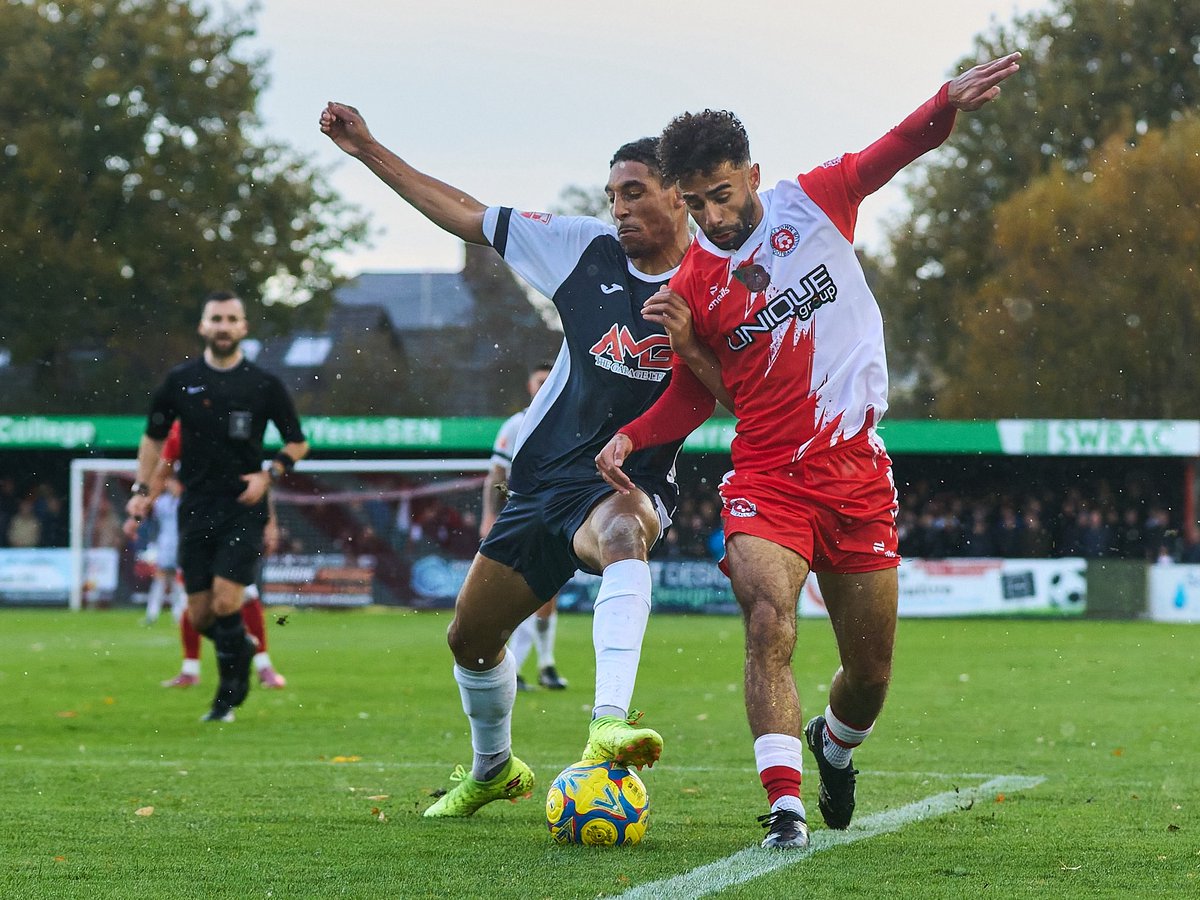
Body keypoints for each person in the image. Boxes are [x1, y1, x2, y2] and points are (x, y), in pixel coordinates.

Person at [596, 53, 1022, 849]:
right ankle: (784, 805)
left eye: (722, 194)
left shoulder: (816, 201)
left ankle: (835, 745)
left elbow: (893, 147)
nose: (713, 216)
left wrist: (947, 101)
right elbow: (699, 396)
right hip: (765, 474)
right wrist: (635, 431)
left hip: (857, 473)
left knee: (869, 676)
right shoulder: (689, 284)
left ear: (752, 173)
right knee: (768, 618)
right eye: (695, 203)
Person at [321, 102, 692, 817]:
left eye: (635, 192)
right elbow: (468, 215)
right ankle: (493, 769)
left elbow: (735, 385)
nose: (617, 209)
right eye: (611, 195)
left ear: (679, 194)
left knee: (623, 534)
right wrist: (368, 149)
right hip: (543, 479)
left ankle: (607, 721)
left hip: (631, 481)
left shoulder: (715, 277)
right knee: (471, 636)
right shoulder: (584, 249)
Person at [126, 291, 308, 722]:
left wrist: (269, 474)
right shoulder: (179, 381)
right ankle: (242, 647)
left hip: (243, 507)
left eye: (232, 319)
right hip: (195, 506)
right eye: (216, 319)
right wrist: (141, 490)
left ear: (243, 327)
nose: (224, 326)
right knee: (201, 614)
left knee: (228, 602)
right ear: (203, 327)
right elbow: (153, 440)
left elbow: (297, 442)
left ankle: (226, 697)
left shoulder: (264, 384)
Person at [126, 421, 288, 688]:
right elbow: (162, 470)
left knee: (245, 596)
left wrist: (268, 523)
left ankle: (263, 666)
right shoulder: (181, 426)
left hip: (234, 525)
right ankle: (191, 669)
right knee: (192, 604)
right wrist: (140, 507)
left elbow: (258, 476)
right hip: (195, 529)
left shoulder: (236, 423)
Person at [483, 363, 567, 692]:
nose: (545, 385)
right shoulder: (517, 424)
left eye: (551, 380)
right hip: (522, 518)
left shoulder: (568, 420)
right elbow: (497, 475)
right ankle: (513, 669)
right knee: (522, 592)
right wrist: (492, 515)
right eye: (540, 381)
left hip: (559, 516)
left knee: (548, 595)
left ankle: (545, 665)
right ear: (530, 386)